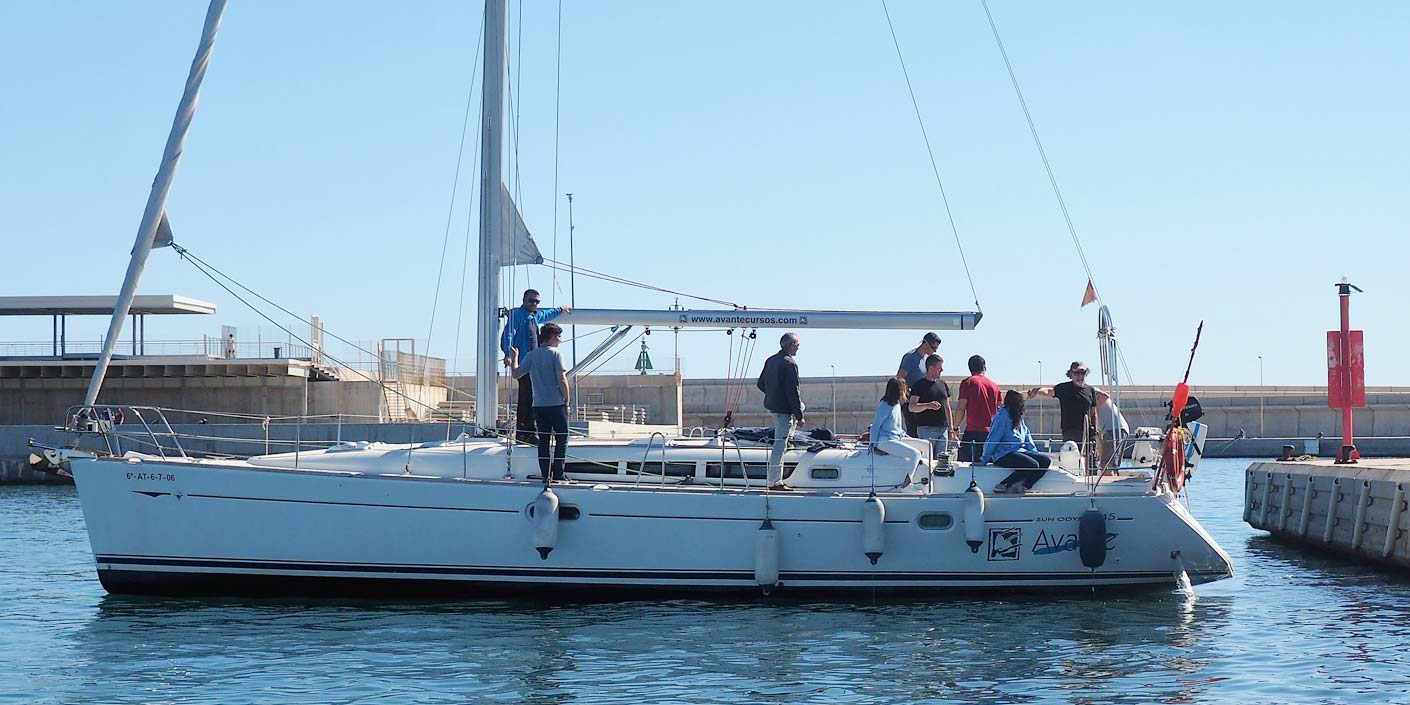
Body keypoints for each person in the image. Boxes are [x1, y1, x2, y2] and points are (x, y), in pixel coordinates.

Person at [500, 289, 571, 444]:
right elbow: (508, 335)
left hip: (534, 364)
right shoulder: (518, 316)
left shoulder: (534, 316)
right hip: (525, 362)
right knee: (526, 398)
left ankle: (530, 431)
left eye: (537, 301)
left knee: (533, 397)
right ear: (524, 300)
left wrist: (560, 310)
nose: (534, 304)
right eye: (531, 300)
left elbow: (546, 315)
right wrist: (508, 354)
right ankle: (524, 433)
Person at [511, 323, 572, 483]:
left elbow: (516, 374)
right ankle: (558, 472)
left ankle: (546, 474)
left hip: (538, 405)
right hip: (556, 404)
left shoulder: (531, 355)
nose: (560, 340)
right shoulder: (556, 355)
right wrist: (567, 399)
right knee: (562, 437)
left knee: (544, 440)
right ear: (552, 336)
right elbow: (562, 378)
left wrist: (515, 358)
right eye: (558, 336)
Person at [757, 332, 804, 491]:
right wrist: (800, 417)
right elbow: (793, 392)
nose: (798, 347)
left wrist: (773, 394)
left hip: (772, 405)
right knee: (779, 447)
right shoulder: (790, 364)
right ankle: (774, 481)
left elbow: (760, 383)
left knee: (801, 406)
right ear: (791, 346)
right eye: (797, 344)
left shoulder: (771, 360)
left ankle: (788, 438)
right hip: (784, 409)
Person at [981, 389, 1052, 495]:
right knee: (1032, 465)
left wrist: (1035, 454)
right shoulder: (1002, 417)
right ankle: (1004, 484)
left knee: (1045, 460)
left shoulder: (1019, 418)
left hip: (1019, 451)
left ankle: (1025, 486)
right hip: (1003, 454)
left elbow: (1027, 438)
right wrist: (985, 459)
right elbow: (993, 438)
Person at [1028, 360, 1099, 446]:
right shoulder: (1064, 388)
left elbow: (1093, 413)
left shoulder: (1090, 390)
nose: (1080, 376)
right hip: (1070, 431)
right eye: (1076, 373)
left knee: (1089, 457)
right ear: (1071, 374)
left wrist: (1095, 431)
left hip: (1087, 432)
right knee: (1073, 456)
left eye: (1083, 373)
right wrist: (1036, 391)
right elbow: (1048, 391)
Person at [954, 354, 1003, 463]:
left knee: (965, 467)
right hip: (991, 433)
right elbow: (1001, 410)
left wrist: (955, 427)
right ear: (984, 367)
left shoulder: (968, 383)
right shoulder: (994, 386)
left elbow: (961, 408)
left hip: (973, 432)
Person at [907, 354, 955, 458]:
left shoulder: (943, 384)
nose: (941, 370)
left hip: (943, 429)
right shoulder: (919, 385)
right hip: (926, 429)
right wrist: (928, 405)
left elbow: (947, 407)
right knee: (927, 459)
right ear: (931, 368)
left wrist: (951, 429)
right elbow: (912, 407)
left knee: (942, 460)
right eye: (939, 367)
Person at [895, 332, 941, 436]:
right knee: (914, 431)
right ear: (925, 343)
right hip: (910, 400)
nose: (934, 351)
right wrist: (906, 391)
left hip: (922, 400)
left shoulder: (925, 359)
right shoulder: (910, 357)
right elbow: (899, 379)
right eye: (933, 348)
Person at [1094, 389, 1130, 474]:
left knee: (1107, 465)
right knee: (1108, 464)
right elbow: (1098, 434)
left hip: (1114, 429)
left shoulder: (1087, 390)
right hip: (1110, 430)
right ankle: (1114, 483)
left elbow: (1104, 396)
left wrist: (1094, 409)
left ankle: (1108, 484)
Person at [870, 377, 909, 449]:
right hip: (886, 439)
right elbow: (875, 426)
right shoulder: (885, 406)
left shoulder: (897, 404)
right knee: (916, 454)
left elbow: (896, 427)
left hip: (897, 437)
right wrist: (873, 446)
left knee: (926, 445)